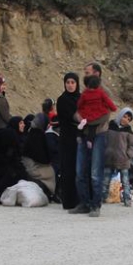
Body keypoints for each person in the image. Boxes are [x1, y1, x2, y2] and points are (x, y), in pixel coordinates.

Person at [71, 73, 117, 217]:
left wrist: (86, 119)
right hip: (86, 134)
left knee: (95, 173)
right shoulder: (93, 94)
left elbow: (79, 111)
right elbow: (111, 108)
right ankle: (85, 204)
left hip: (97, 134)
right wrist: (90, 119)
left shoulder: (99, 94)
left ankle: (95, 205)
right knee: (81, 173)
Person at [0, 116, 28, 204]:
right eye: (21, 123)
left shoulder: (4, 131)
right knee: (14, 174)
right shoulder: (11, 135)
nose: (23, 125)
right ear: (15, 124)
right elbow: (12, 156)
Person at [56, 72, 81, 210]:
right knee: (68, 169)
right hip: (67, 138)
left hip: (80, 137)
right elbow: (70, 117)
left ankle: (80, 198)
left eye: (73, 82)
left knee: (80, 169)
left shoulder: (81, 98)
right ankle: (69, 201)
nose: (70, 85)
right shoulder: (62, 99)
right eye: (68, 83)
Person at [104, 108, 133, 207]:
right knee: (105, 180)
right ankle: (102, 197)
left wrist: (128, 155)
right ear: (120, 115)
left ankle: (127, 199)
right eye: (124, 116)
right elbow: (103, 138)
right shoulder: (110, 126)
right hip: (109, 159)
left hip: (123, 161)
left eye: (128, 119)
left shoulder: (129, 131)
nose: (125, 120)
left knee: (125, 182)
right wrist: (104, 151)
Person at [22, 114, 57, 196]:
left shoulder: (32, 133)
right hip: (33, 166)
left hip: (31, 163)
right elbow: (41, 157)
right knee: (51, 172)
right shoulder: (38, 136)